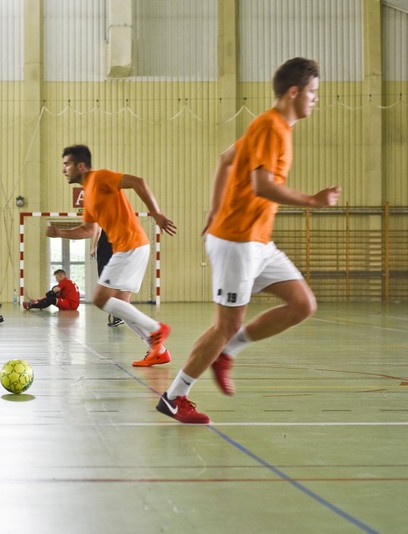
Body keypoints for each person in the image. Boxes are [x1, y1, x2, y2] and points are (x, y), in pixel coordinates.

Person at [156, 58, 340, 424]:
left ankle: (228, 352)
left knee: (302, 304)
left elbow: (225, 161)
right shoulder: (270, 127)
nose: (316, 99)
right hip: (237, 241)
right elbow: (262, 185)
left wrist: (213, 209)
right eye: (313, 93)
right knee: (224, 325)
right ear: (294, 92)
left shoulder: (272, 128)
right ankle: (174, 398)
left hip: (257, 240)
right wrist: (312, 201)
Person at [48, 144, 176, 367]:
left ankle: (156, 329)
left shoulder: (100, 178)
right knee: (121, 305)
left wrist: (155, 213)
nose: (64, 170)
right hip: (130, 247)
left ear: (80, 166)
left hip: (131, 245)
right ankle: (159, 350)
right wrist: (60, 232)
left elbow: (138, 182)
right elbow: (88, 230)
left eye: (67, 164)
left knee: (100, 298)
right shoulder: (88, 196)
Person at [90, 227, 123, 327]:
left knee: (109, 284)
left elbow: (97, 232)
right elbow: (98, 232)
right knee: (111, 284)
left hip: (109, 251)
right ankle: (117, 314)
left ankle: (118, 314)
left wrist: (93, 248)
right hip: (111, 251)